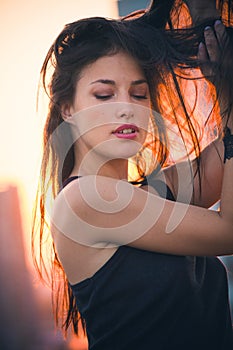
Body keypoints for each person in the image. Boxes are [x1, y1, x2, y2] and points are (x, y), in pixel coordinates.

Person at [32, 0, 233, 349]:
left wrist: (212, 36)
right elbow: (229, 230)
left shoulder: (151, 198)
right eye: (104, 94)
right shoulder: (83, 201)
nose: (126, 106)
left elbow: (224, 151)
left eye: (139, 94)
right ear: (68, 109)